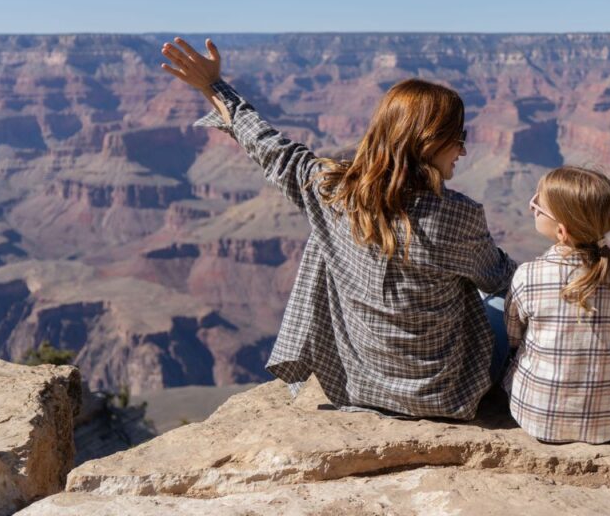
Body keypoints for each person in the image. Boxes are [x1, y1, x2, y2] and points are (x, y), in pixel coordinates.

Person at [161, 37, 516, 420]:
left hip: (358, 388)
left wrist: (212, 86)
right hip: (442, 398)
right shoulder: (458, 215)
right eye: (458, 139)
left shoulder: (332, 192)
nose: (463, 152)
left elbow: (269, 146)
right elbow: (503, 279)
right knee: (502, 304)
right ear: (429, 143)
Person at [503, 166, 610, 444]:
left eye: (537, 205)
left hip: (537, 416)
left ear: (561, 231)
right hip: (609, 423)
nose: (532, 206)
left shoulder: (527, 275)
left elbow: (513, 336)